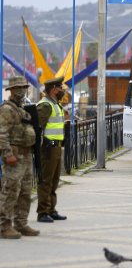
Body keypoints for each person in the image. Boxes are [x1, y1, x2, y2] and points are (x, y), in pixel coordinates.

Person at [0, 76, 40, 239]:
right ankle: (4, 226)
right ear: (12, 90)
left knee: (25, 191)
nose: (22, 90)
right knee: (10, 190)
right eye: (18, 88)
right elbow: (2, 133)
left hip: (25, 154)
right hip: (14, 156)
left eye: (23, 87)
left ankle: (21, 223)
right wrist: (7, 154)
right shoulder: (7, 109)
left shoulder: (21, 108)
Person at [36, 76, 68, 222]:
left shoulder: (55, 104)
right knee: (45, 181)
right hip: (48, 148)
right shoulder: (45, 105)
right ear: (54, 89)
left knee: (54, 180)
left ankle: (51, 209)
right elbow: (37, 128)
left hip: (56, 147)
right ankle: (42, 212)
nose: (63, 91)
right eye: (61, 88)